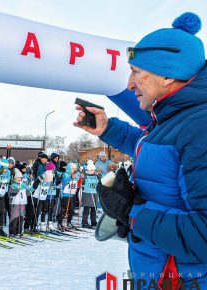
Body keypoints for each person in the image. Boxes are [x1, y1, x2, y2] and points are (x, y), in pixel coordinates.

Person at [74, 12, 207, 288]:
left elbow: (203, 236)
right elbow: (155, 146)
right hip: (156, 272)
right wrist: (107, 129)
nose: (129, 84)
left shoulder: (199, 127)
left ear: (168, 75)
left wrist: (130, 213)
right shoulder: (174, 117)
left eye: (136, 72)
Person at [56, 163, 79, 231]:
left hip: (71, 194)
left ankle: (69, 222)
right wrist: (71, 177)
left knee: (71, 210)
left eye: (75, 169)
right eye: (73, 169)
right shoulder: (65, 174)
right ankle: (60, 223)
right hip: (65, 194)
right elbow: (65, 182)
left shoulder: (74, 174)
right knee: (64, 209)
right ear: (69, 168)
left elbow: (75, 182)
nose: (74, 170)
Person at [8, 168, 30, 236]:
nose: (19, 179)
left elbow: (28, 194)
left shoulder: (23, 185)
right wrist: (17, 189)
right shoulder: (12, 185)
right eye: (17, 177)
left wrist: (29, 190)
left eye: (20, 177)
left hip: (22, 203)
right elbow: (10, 194)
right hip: (15, 203)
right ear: (14, 178)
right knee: (15, 217)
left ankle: (19, 231)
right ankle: (12, 231)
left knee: (21, 217)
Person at [80, 161, 99, 229]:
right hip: (87, 194)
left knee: (94, 209)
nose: (92, 171)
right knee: (87, 209)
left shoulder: (96, 176)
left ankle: (93, 222)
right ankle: (84, 222)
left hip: (94, 194)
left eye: (93, 170)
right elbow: (81, 182)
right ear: (87, 170)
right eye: (91, 170)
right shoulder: (85, 176)